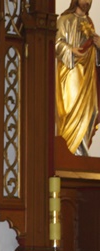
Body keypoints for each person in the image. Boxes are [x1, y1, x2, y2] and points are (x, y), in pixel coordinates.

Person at [55, 0, 100, 155]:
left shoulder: (89, 23)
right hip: (71, 72)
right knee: (70, 110)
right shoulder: (64, 20)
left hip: (88, 75)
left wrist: (98, 46)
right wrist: (71, 50)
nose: (87, 2)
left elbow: (93, 54)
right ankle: (70, 152)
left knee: (91, 112)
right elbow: (57, 44)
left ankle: (82, 152)